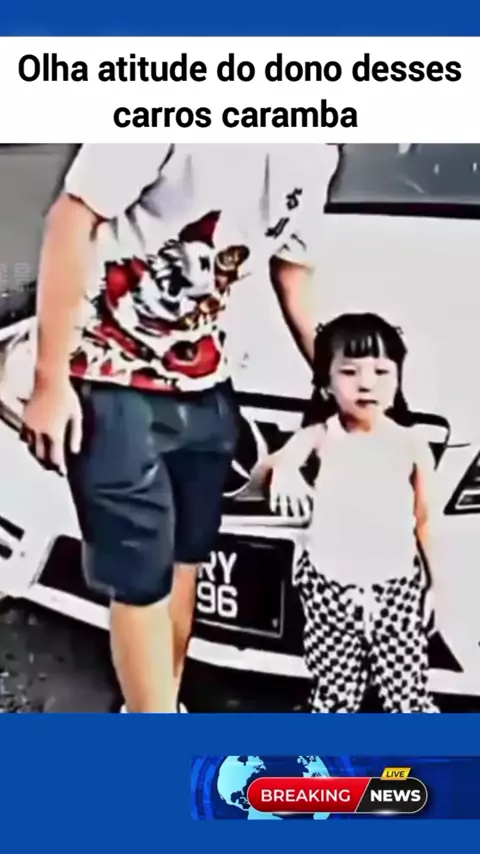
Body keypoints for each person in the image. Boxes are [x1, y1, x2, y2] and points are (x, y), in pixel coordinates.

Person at [20, 143, 339, 713]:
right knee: (140, 575)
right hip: (112, 379)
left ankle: (156, 710)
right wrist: (49, 379)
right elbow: (71, 217)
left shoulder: (316, 151)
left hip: (209, 385)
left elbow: (293, 273)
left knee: (184, 558)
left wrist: (346, 379)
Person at [252, 312, 439, 713]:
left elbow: (425, 519)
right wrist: (284, 471)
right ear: (326, 383)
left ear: (398, 380)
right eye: (350, 372)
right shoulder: (320, 435)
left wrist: (435, 584)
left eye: (381, 371)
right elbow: (264, 472)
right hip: (329, 587)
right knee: (336, 692)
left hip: (395, 587)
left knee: (406, 691)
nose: (366, 383)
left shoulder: (411, 443)